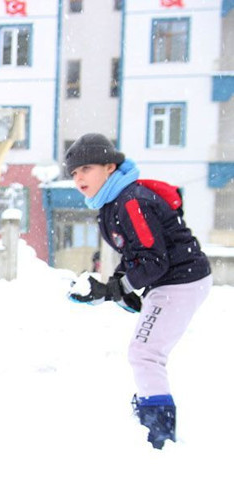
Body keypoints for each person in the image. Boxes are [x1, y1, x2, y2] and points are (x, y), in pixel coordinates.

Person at [65, 133, 212, 449]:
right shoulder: (112, 203)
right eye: (74, 173)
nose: (79, 178)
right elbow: (135, 255)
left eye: (86, 169)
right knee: (145, 351)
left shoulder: (131, 201)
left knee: (145, 353)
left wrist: (115, 287)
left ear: (109, 166)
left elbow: (153, 260)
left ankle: (158, 433)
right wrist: (115, 287)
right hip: (171, 281)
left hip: (180, 281)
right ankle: (150, 409)